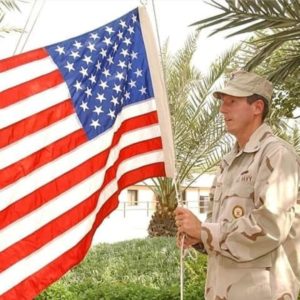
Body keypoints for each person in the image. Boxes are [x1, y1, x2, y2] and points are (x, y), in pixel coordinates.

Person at [175, 70, 300, 300]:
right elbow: (222, 230)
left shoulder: (277, 154)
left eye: (232, 102)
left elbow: (271, 227)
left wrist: (204, 231)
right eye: (223, 102)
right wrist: (201, 239)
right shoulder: (228, 163)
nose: (223, 109)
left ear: (257, 107)